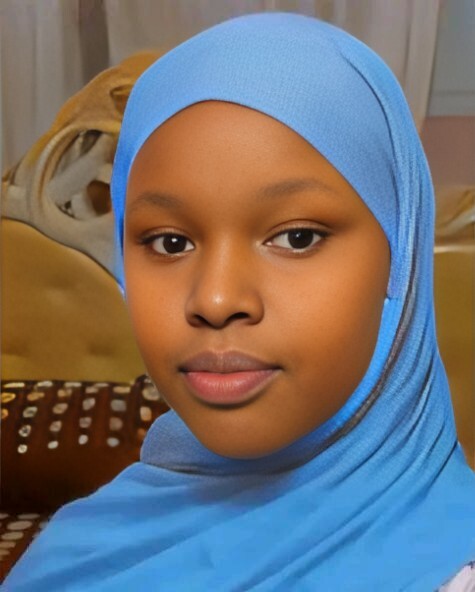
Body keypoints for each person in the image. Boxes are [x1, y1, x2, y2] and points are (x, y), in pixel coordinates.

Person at [3, 12, 475, 591]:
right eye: (169, 243)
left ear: (399, 257)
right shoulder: (79, 556)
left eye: (296, 237)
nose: (216, 298)